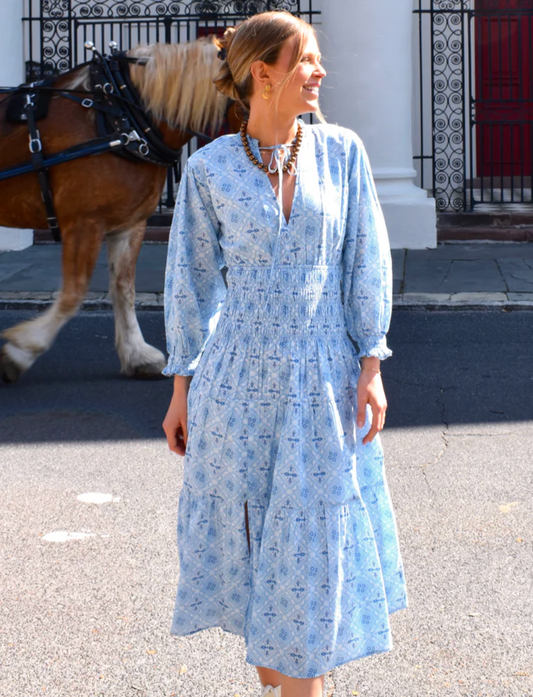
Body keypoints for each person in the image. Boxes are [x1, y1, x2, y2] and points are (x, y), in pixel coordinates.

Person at [162, 10, 408, 697]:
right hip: (234, 384)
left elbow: (365, 262)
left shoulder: (342, 153)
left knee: (315, 550)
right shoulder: (210, 168)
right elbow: (189, 281)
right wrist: (181, 386)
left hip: (325, 380)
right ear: (260, 74)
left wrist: (371, 363)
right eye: (304, 60)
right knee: (254, 549)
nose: (318, 72)